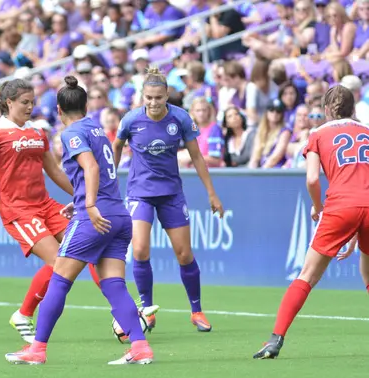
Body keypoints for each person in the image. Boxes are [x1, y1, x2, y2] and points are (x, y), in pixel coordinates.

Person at [5, 76, 154, 365]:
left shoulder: (71, 133)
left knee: (59, 279)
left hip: (95, 217)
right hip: (120, 216)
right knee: (113, 285)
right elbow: (102, 172)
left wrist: (88, 204)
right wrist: (80, 200)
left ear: (59, 110)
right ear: (85, 106)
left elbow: (91, 166)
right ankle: (139, 346)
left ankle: (37, 348)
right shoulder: (97, 130)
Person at [0, 78, 101, 344]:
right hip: (18, 210)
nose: (29, 107)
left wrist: (86, 196)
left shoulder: (37, 132)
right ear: (9, 102)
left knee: (89, 242)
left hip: (45, 205)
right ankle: (23, 314)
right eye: (24, 102)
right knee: (59, 261)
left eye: (32, 102)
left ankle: (120, 313)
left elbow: (55, 171)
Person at [253, 85, 369, 360]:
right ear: (354, 108)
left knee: (307, 275)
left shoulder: (318, 134)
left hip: (340, 206)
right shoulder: (367, 132)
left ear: (327, 110)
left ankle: (275, 340)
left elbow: (313, 179)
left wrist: (318, 208)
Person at [112, 67, 225, 333]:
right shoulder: (130, 120)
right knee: (139, 249)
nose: (153, 103)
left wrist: (211, 192)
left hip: (171, 194)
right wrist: (109, 179)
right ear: (143, 96)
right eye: (148, 98)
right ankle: (147, 310)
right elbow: (116, 146)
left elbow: (197, 157)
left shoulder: (181, 119)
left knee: (184, 254)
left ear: (167, 96)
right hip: (140, 192)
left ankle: (196, 310)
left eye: (158, 98)